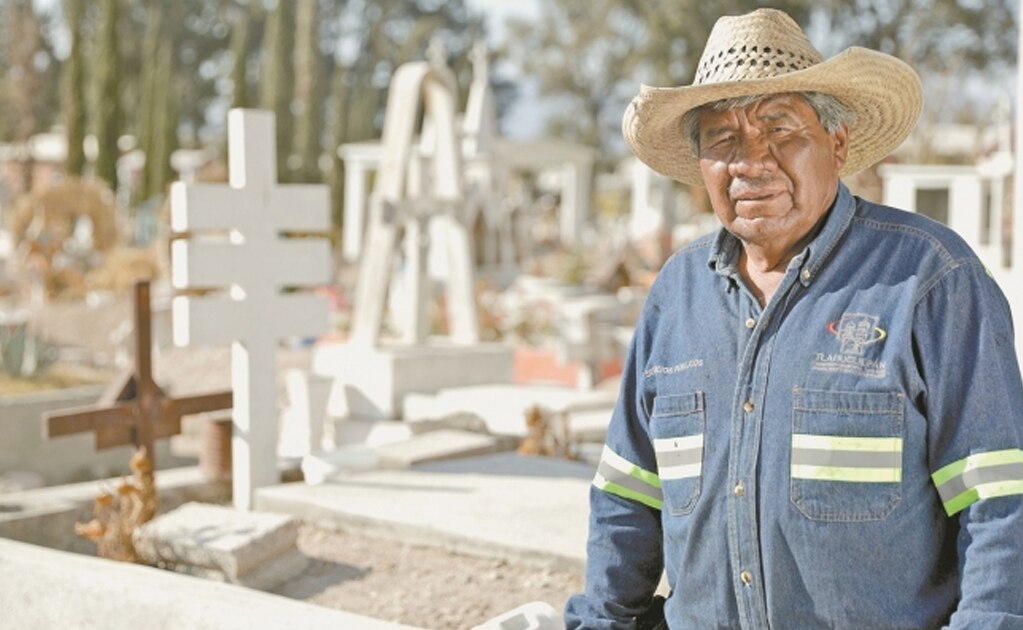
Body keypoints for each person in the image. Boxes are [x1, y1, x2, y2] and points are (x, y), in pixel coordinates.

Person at [565, 8, 1023, 630]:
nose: (752, 161)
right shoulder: (676, 292)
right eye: (723, 138)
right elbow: (628, 495)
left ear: (836, 144)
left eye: (780, 128)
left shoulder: (931, 281)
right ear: (700, 162)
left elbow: (999, 503)